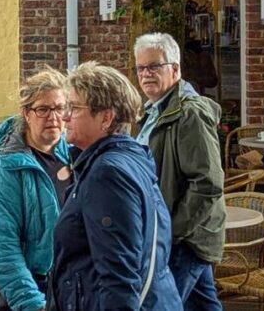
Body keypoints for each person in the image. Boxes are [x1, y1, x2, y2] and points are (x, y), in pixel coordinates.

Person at [51, 61, 182, 310]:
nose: (64, 116)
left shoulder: (107, 173)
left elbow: (119, 274)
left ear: (106, 117)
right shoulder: (124, 159)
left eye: (74, 108)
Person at [134, 32, 225, 310]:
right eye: (140, 68)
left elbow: (208, 183)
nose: (146, 74)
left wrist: (171, 231)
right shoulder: (153, 112)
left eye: (154, 66)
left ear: (175, 68)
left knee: (160, 306)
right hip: (176, 234)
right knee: (204, 304)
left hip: (184, 239)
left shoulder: (188, 114)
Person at [0, 67, 72, 311]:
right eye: (43, 109)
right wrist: (32, 304)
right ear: (26, 113)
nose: (53, 117)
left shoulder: (74, 157)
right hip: (24, 287)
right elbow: (2, 250)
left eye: (60, 108)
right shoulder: (6, 169)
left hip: (63, 282)